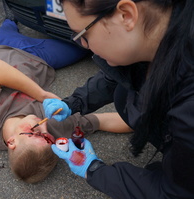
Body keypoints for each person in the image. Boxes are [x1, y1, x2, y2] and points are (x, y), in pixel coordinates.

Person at [42, 0, 194, 198]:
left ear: (126, 15)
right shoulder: (167, 31)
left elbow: (174, 194)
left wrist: (94, 169)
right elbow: (117, 77)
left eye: (83, 35)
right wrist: (73, 103)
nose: (84, 45)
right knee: (124, 95)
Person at [0, 19, 127, 183]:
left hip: (2, 48)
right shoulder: (52, 127)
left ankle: (11, 19)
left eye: (34, 133)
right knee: (88, 44)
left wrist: (42, 95)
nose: (42, 128)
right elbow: (102, 121)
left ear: (12, 142)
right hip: (40, 57)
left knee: (9, 24)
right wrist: (145, 120)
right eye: (48, 138)